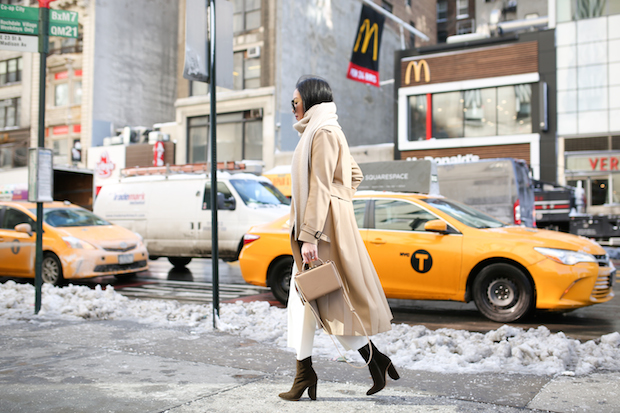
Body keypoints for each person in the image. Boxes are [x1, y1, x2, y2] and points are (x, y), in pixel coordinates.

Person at [279, 76, 399, 401]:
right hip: (321, 230)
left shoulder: (324, 132)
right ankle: (306, 374)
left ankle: (372, 360)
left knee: (328, 304)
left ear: (310, 100)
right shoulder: (322, 130)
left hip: (321, 235)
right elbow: (352, 175)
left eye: (295, 102)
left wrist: (313, 233)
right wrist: (340, 198)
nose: (292, 108)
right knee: (304, 305)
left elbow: (319, 185)